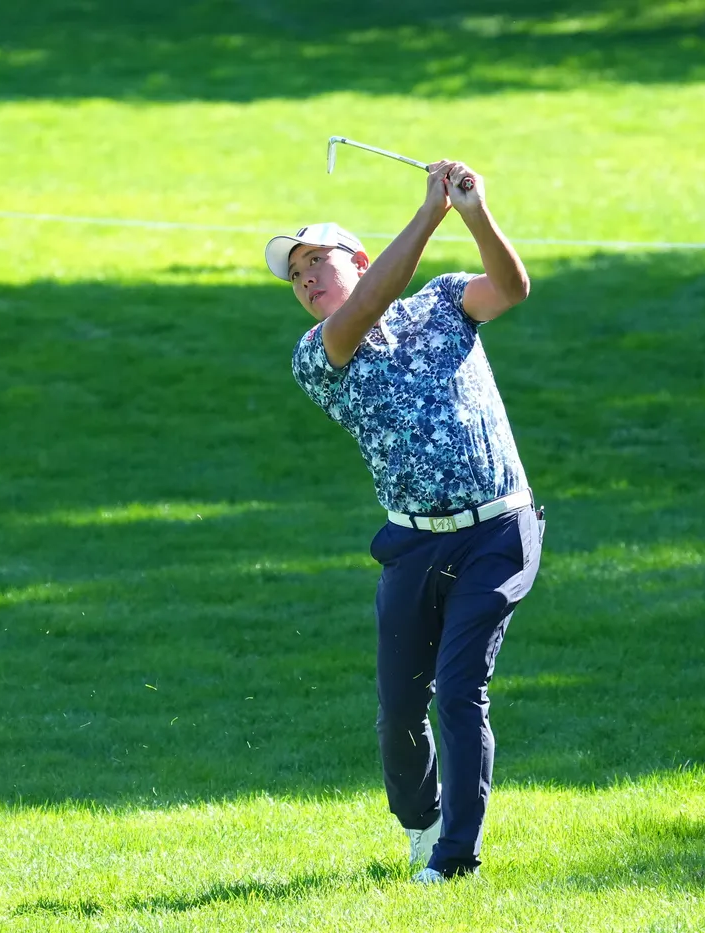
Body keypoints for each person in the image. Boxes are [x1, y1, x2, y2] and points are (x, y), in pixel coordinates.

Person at [264, 160, 545, 884]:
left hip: (498, 530)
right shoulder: (319, 356)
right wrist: (429, 213)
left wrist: (473, 213)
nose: (305, 280)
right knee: (399, 712)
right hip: (414, 543)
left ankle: (456, 859)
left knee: (460, 689)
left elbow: (511, 288)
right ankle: (423, 827)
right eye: (295, 276)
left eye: (316, 262)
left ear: (358, 259)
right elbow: (365, 309)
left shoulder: (444, 300)